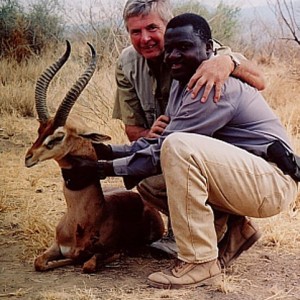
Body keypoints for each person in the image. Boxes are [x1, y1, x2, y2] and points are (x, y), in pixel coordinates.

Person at [65, 13, 299, 289]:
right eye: (170, 49)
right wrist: (106, 151)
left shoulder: (212, 85)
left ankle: (199, 263)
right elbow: (158, 142)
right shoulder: (182, 83)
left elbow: (165, 148)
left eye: (184, 48)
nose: (174, 56)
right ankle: (236, 229)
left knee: (177, 148)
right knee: (152, 183)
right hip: (246, 177)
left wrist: (101, 169)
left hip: (271, 182)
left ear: (209, 49)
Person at [112, 0, 266, 262]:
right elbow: (132, 128)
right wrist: (152, 134)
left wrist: (228, 62)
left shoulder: (201, 48)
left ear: (168, 25)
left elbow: (260, 80)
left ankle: (204, 242)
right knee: (147, 177)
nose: (145, 38)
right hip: (173, 147)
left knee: (176, 153)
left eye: (152, 28)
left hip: (223, 156)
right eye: (135, 32)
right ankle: (231, 229)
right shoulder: (127, 62)